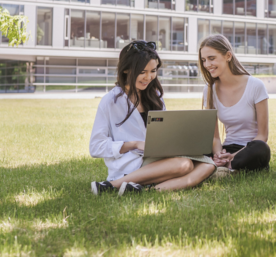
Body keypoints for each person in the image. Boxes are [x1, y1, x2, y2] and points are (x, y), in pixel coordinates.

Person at [89, 40, 216, 196]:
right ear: (126, 70)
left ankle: (144, 190)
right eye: (142, 72)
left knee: (208, 165)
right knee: (184, 165)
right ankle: (111, 185)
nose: (148, 77)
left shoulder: (154, 96)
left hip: (157, 157)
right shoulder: (110, 101)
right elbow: (96, 147)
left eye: (153, 71)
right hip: (131, 163)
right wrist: (134, 144)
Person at [199, 35, 271, 174]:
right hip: (226, 148)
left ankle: (220, 167)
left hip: (248, 149)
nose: (207, 65)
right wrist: (219, 155)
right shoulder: (209, 90)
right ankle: (226, 167)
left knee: (261, 148)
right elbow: (214, 137)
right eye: (204, 60)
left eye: (211, 58)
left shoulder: (255, 86)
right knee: (194, 145)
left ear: (228, 56)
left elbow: (263, 136)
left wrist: (233, 156)